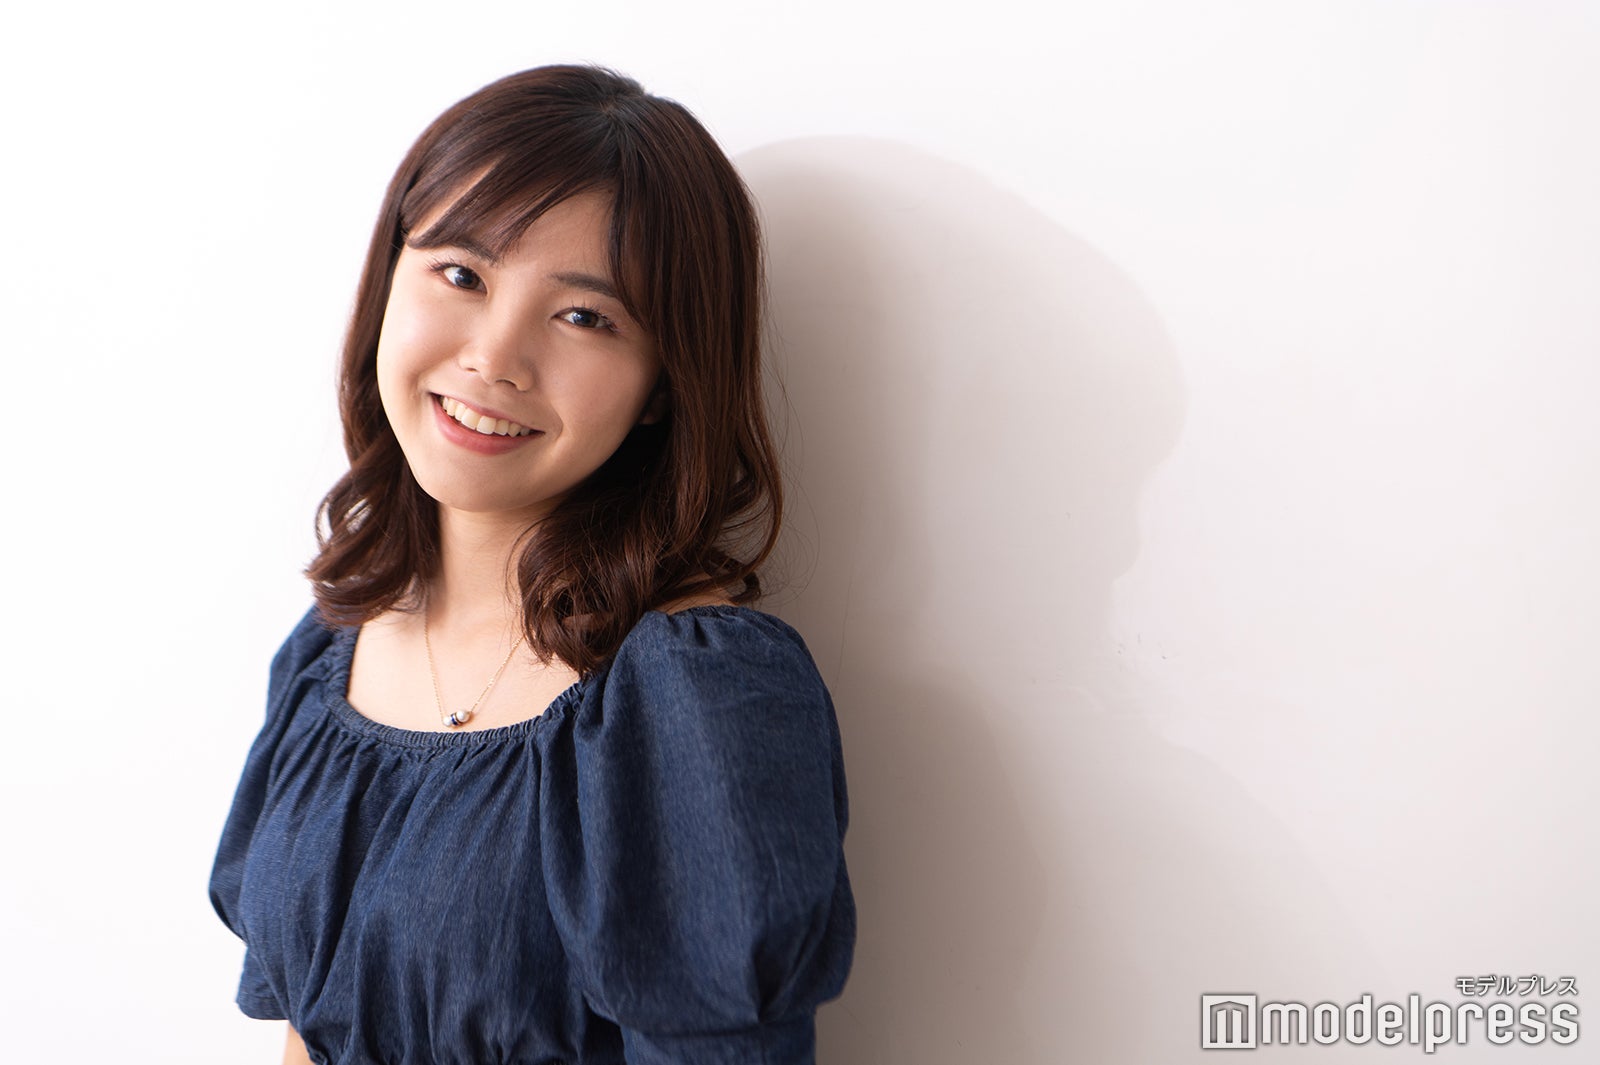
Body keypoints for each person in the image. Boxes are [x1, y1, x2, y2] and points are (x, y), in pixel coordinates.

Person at [208, 65, 855, 1065]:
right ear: (389, 282)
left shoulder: (692, 694)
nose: (494, 358)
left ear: (661, 384)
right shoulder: (329, 650)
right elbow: (305, 1035)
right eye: (461, 275)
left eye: (585, 317)